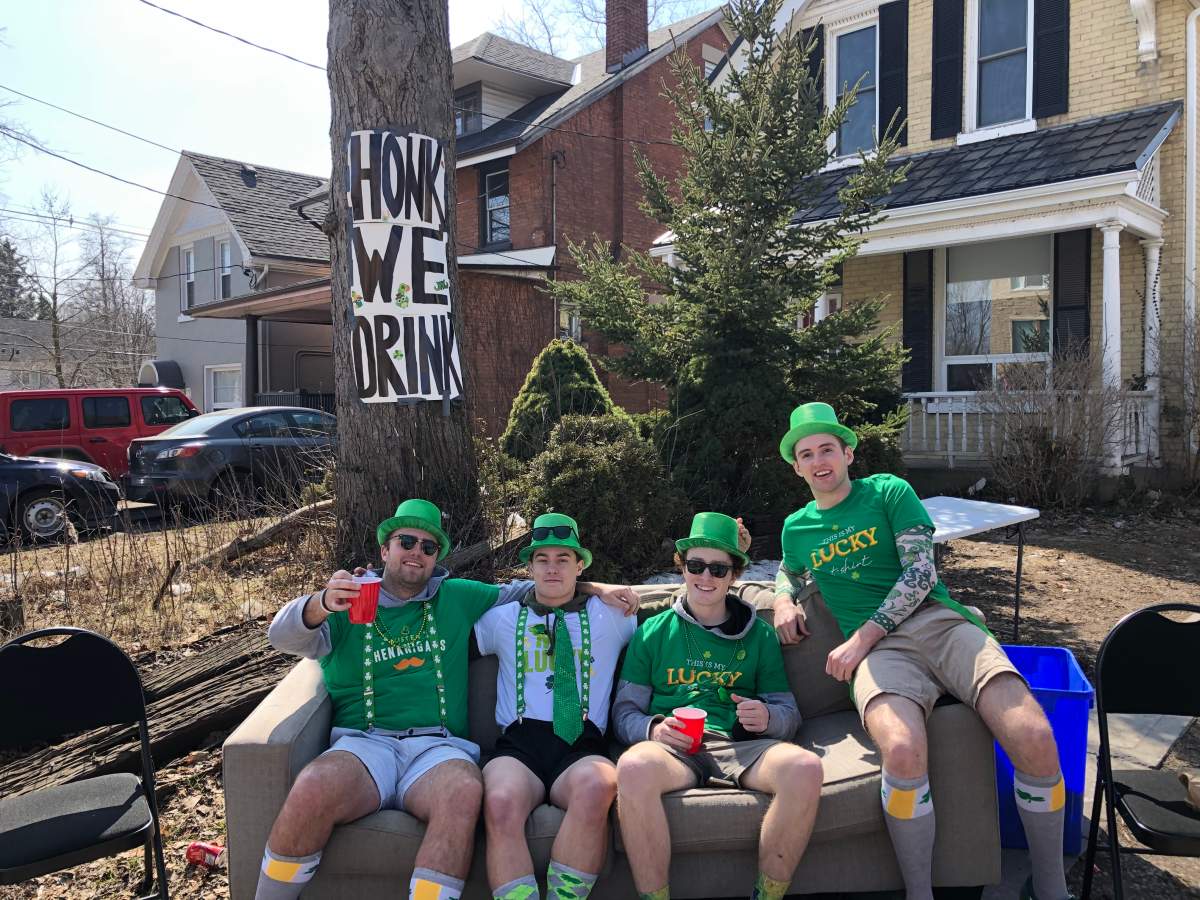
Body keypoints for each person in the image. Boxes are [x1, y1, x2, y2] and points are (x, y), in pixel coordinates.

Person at [257, 499, 638, 900]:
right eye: (406, 542)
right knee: (314, 784)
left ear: (437, 557)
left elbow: (539, 590)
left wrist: (598, 588)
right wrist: (320, 603)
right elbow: (280, 638)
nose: (416, 553)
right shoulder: (348, 599)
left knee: (463, 793)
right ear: (385, 550)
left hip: (439, 748)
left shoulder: (456, 597)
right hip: (364, 744)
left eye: (428, 546)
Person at [771, 402, 1071, 900]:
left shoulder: (888, 491)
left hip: (937, 624)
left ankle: (1051, 888)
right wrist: (783, 596)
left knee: (1034, 734)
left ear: (847, 452)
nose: (819, 460)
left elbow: (920, 573)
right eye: (807, 453)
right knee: (904, 751)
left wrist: (863, 634)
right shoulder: (796, 527)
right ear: (796, 466)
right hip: (883, 657)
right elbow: (789, 567)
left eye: (828, 448)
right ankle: (919, 893)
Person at [613, 512, 822, 900]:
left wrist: (768, 718)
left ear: (734, 575)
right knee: (634, 766)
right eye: (696, 566)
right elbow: (624, 712)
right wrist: (654, 730)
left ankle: (767, 895)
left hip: (741, 745)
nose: (705, 578)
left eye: (718, 569)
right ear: (682, 568)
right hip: (674, 748)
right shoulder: (652, 632)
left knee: (806, 768)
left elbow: (788, 713)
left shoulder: (759, 634)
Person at [475, 513, 637, 900]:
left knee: (600, 785)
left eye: (563, 559)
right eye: (542, 560)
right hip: (519, 743)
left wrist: (599, 590)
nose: (551, 568)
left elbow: (677, 622)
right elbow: (445, 634)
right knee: (498, 801)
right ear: (528, 567)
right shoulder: (500, 619)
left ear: (579, 565)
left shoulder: (614, 615)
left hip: (581, 743)